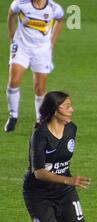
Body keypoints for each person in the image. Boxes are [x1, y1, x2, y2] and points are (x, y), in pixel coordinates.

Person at [23, 91, 90, 222]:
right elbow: (39, 172)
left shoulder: (71, 129)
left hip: (64, 191)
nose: (72, 109)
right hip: (38, 194)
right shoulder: (40, 135)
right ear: (55, 110)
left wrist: (67, 182)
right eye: (67, 106)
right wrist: (69, 179)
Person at [4, 0, 65, 132]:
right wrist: (12, 37)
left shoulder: (54, 8)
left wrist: (52, 41)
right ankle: (13, 115)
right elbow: (11, 14)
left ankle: (40, 121)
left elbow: (60, 20)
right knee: (13, 81)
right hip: (21, 47)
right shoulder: (21, 3)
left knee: (40, 88)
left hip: (42, 51)